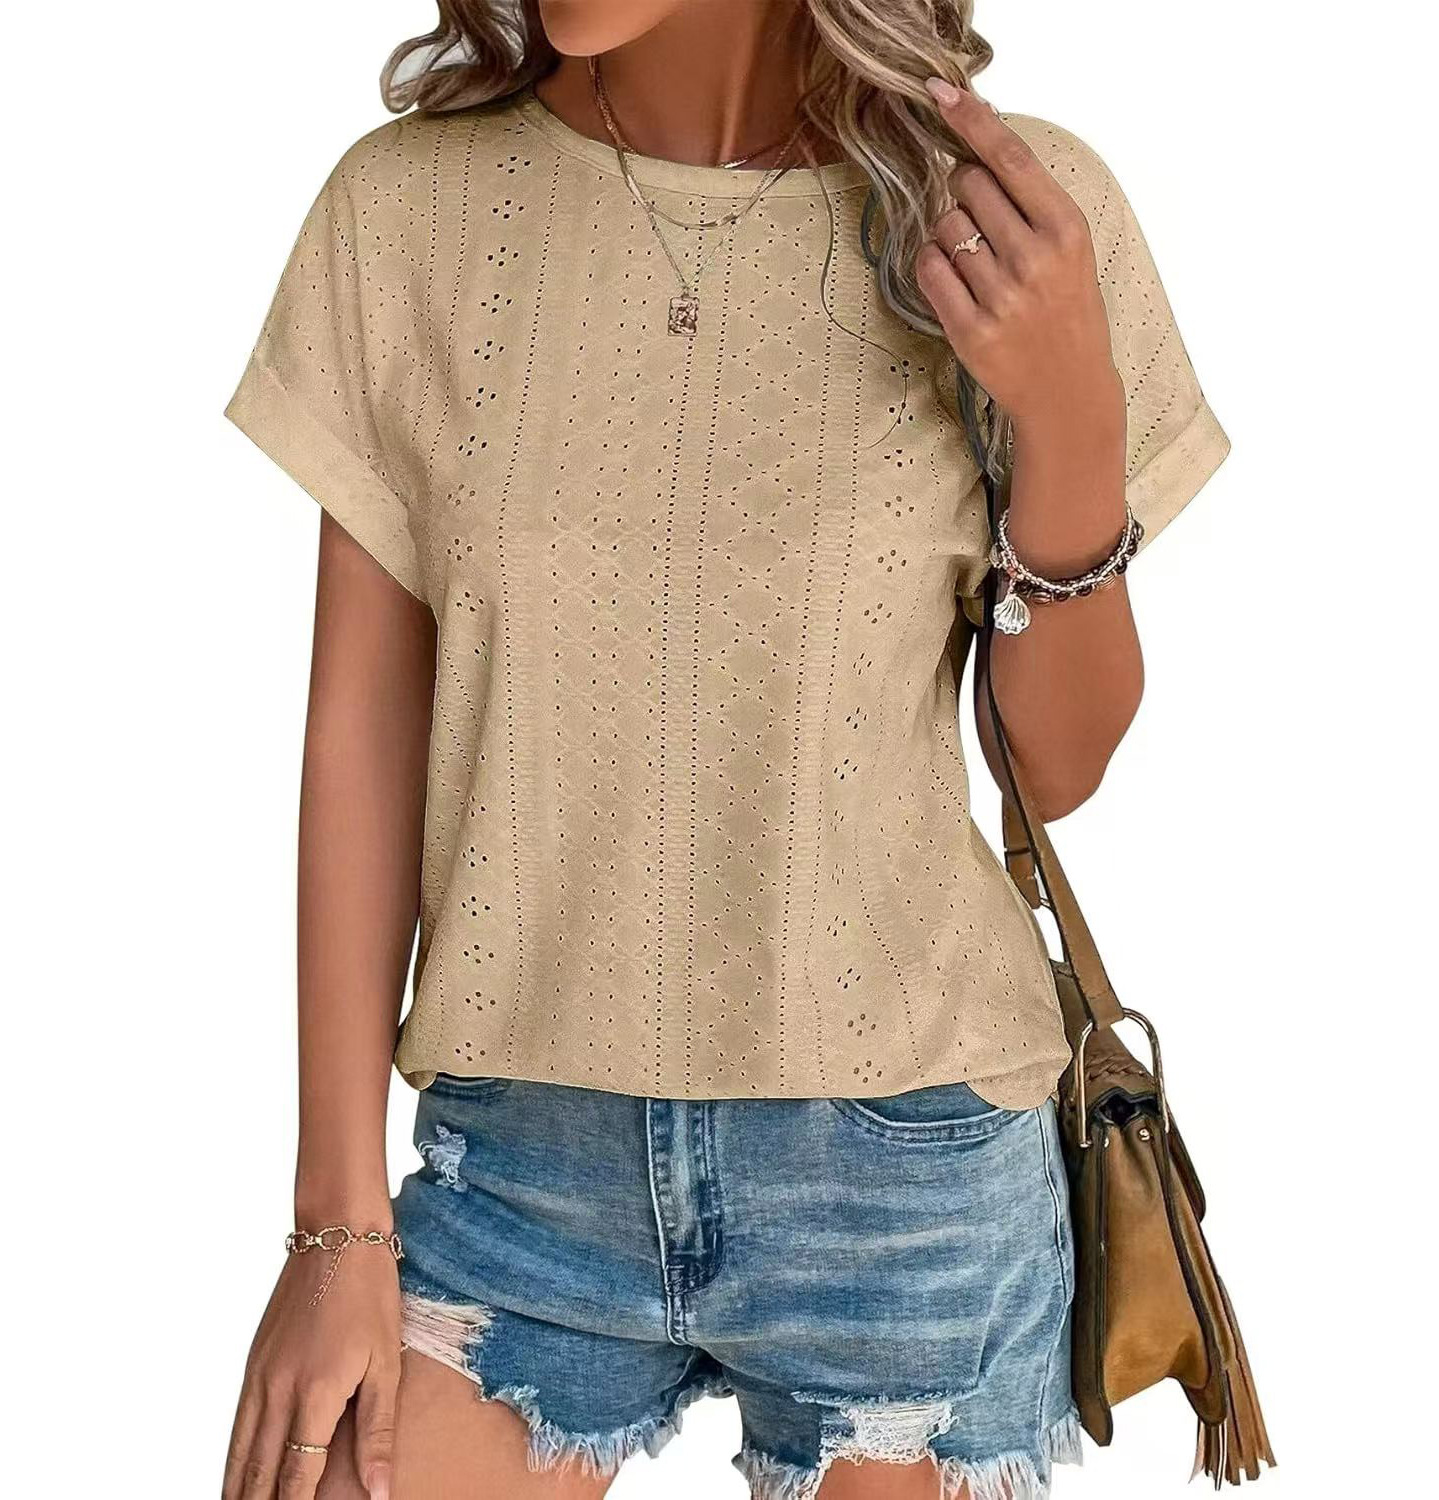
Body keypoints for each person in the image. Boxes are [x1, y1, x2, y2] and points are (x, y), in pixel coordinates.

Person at [221, 3, 1228, 1497]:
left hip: (907, 1168)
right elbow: (362, 731)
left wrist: (1072, 424)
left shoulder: (1009, 216)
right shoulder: (410, 213)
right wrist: (333, 1226)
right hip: (515, 1162)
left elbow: (1060, 765)